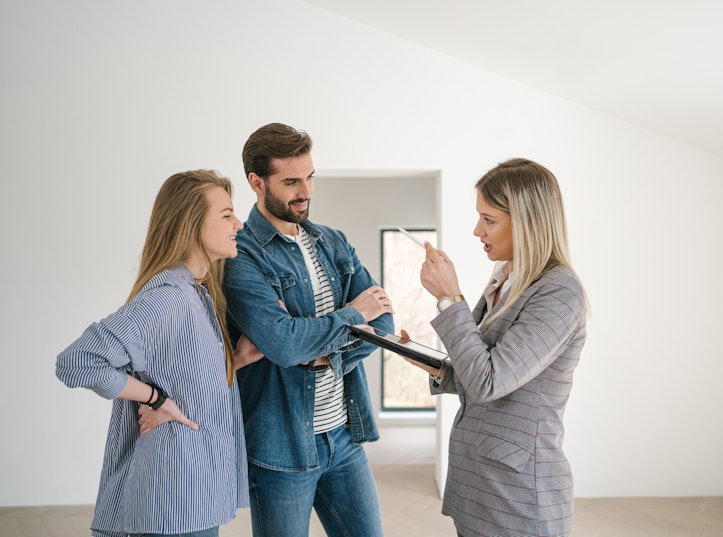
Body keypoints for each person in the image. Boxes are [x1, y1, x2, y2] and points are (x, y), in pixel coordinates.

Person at [55, 170, 262, 537]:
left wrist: (236, 358)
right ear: (191, 222)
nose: (240, 224)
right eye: (227, 214)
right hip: (172, 495)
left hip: (195, 491)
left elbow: (185, 375)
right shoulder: (168, 296)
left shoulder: (197, 294)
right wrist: (155, 397)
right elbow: (78, 362)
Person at [223, 123, 395, 537]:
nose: (306, 190)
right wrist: (352, 314)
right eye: (291, 181)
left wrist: (315, 350)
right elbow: (283, 344)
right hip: (280, 445)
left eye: (310, 177)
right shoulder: (240, 255)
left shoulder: (332, 243)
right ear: (256, 183)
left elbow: (385, 322)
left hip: (343, 435)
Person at [403, 158, 587, 537]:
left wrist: (450, 299)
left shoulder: (560, 293)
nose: (476, 230)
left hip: (517, 499)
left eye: (489, 219)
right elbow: (481, 368)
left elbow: (490, 381)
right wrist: (437, 367)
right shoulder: (505, 278)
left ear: (526, 221)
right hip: (480, 484)